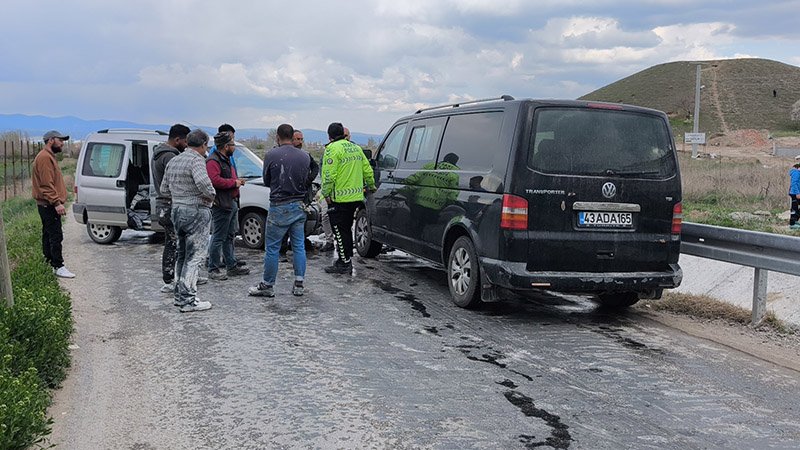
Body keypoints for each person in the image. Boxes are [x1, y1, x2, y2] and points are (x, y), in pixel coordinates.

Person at [249, 124, 312, 298]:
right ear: (292, 137)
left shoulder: (271, 155)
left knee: (273, 248)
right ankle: (299, 283)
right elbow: (307, 178)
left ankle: (268, 284)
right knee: (299, 246)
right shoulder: (305, 156)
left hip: (279, 205)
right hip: (299, 205)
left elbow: (267, 180)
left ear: (277, 137)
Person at [161, 129, 216, 312]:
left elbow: (163, 189)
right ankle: (188, 299)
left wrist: (178, 197)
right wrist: (211, 196)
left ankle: (179, 294)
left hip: (177, 210)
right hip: (196, 211)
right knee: (195, 257)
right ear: (203, 145)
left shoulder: (174, 160)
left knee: (182, 254)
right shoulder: (196, 160)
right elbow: (203, 183)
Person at [321, 122, 376, 274]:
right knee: (346, 229)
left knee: (339, 230)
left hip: (339, 199)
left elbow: (329, 175)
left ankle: (344, 262)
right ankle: (344, 258)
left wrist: (326, 193)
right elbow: (367, 170)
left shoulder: (332, 149)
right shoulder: (356, 148)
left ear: (330, 136)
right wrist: (371, 186)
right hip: (355, 197)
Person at [151, 124, 190, 292]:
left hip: (163, 205)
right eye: (185, 141)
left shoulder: (159, 153)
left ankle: (175, 277)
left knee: (173, 242)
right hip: (170, 205)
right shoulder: (169, 157)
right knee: (175, 243)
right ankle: (171, 280)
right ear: (177, 139)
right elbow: (176, 184)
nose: (187, 145)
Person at [206, 131, 250, 280]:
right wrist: (234, 182)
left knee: (230, 236)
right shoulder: (213, 161)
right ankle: (213, 268)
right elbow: (214, 180)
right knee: (218, 236)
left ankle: (231, 265)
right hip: (221, 204)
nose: (234, 147)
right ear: (226, 146)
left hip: (231, 202)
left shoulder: (225, 159)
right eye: (232, 144)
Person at [32, 130, 75, 278]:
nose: (62, 143)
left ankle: (49, 262)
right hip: (49, 204)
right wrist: (57, 202)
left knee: (48, 233)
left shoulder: (48, 156)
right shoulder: (44, 158)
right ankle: (58, 265)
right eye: (60, 140)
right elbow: (46, 184)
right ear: (51, 140)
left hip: (46, 203)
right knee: (56, 235)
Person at [789, 161, 800, 229]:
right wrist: (797, 193)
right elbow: (794, 183)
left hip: (797, 193)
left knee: (795, 208)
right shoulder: (796, 173)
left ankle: (795, 220)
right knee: (794, 208)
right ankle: (792, 224)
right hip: (795, 193)